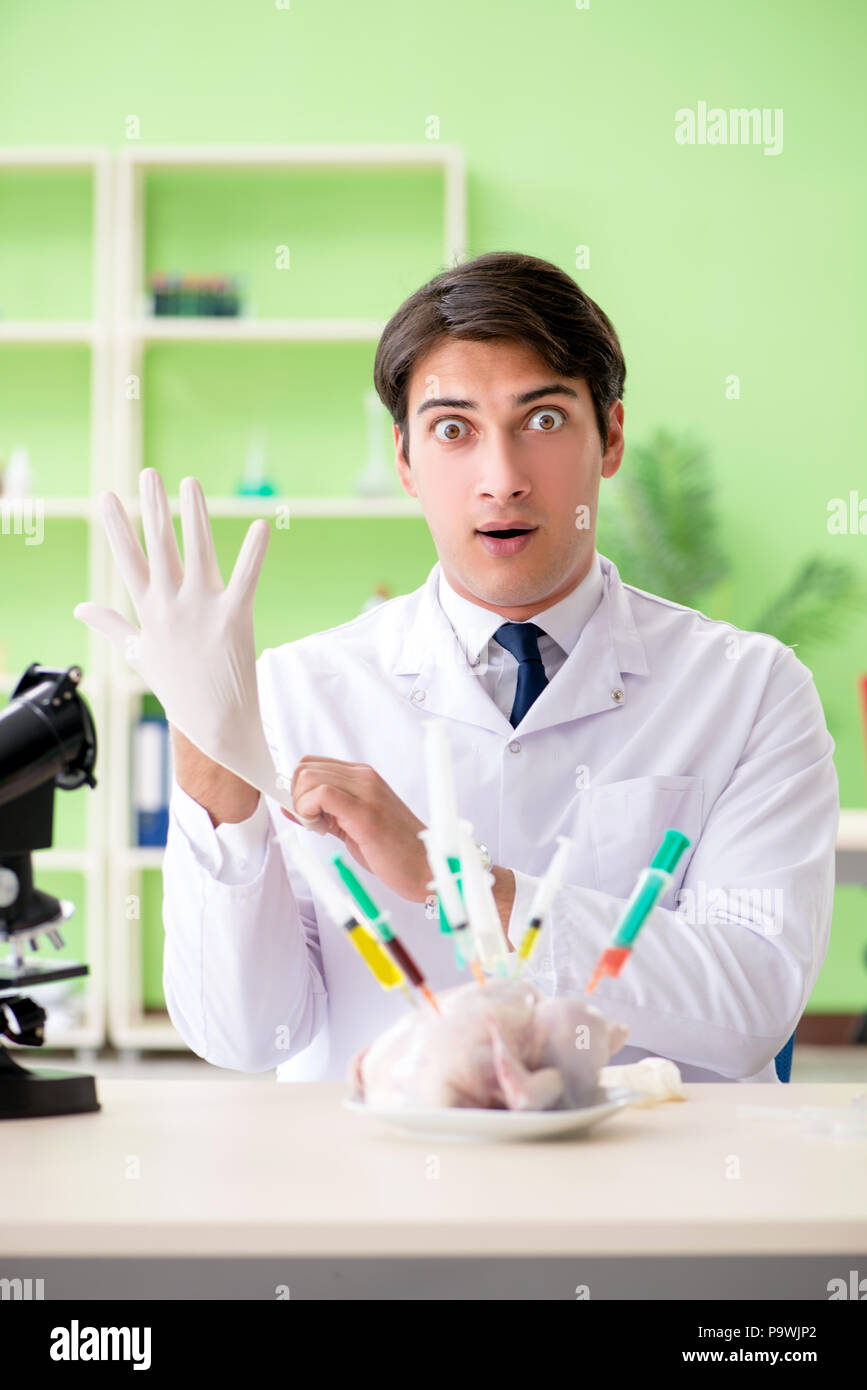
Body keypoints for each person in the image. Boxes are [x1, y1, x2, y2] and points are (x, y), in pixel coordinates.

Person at [76, 251, 839, 1085]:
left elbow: (754, 1001)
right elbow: (245, 1037)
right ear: (404, 461)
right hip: (378, 1194)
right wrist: (211, 762)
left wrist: (460, 883)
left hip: (651, 1185)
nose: (501, 480)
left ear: (610, 437)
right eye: (452, 430)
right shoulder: (292, 695)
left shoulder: (750, 688)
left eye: (541, 421)